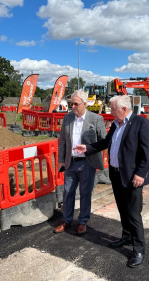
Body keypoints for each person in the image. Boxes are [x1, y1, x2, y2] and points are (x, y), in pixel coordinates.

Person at [73, 95, 149, 268]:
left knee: (133, 213)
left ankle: (138, 249)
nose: (110, 112)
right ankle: (126, 236)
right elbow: (105, 143)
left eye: (112, 109)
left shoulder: (141, 123)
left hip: (133, 177)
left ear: (124, 109)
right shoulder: (116, 125)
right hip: (116, 175)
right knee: (123, 210)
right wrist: (87, 148)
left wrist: (141, 173)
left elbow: (147, 151)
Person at [54, 89, 107, 235]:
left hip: (87, 163)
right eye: (71, 103)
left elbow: (104, 141)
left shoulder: (96, 119)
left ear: (85, 104)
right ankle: (66, 220)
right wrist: (60, 161)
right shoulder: (68, 118)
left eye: (76, 104)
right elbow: (63, 141)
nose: (73, 106)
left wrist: (89, 148)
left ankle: (83, 222)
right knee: (67, 191)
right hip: (70, 162)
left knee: (85, 193)